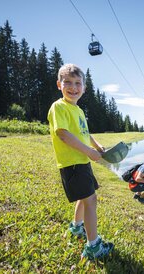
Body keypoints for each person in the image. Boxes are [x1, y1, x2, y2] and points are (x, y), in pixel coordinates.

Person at [47, 64, 113, 260]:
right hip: (73, 163)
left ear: (84, 88)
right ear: (59, 85)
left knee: (84, 198)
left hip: (82, 161)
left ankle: (77, 227)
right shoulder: (59, 107)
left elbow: (85, 133)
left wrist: (98, 147)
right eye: (68, 82)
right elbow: (63, 135)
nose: (73, 87)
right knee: (91, 200)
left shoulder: (78, 109)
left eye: (78, 83)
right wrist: (89, 152)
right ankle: (93, 247)